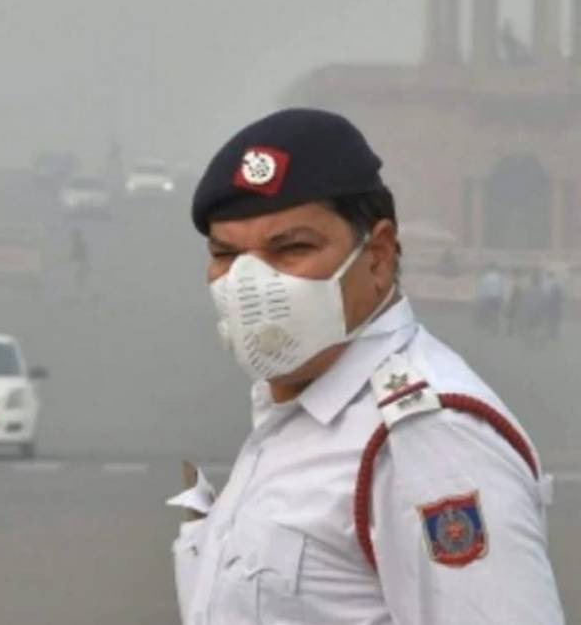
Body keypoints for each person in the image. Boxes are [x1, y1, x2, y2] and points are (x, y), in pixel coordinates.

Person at [172, 109, 562, 624]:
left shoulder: (427, 439)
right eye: (226, 255)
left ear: (377, 256)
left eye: (291, 249)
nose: (249, 284)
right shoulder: (299, 408)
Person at [474, 263, 503, 333]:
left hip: (488, 298)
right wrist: (502, 298)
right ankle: (495, 328)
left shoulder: (485, 277)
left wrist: (479, 298)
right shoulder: (499, 277)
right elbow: (501, 289)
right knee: (496, 314)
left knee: (488, 313)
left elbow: (483, 289)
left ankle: (489, 328)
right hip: (497, 298)